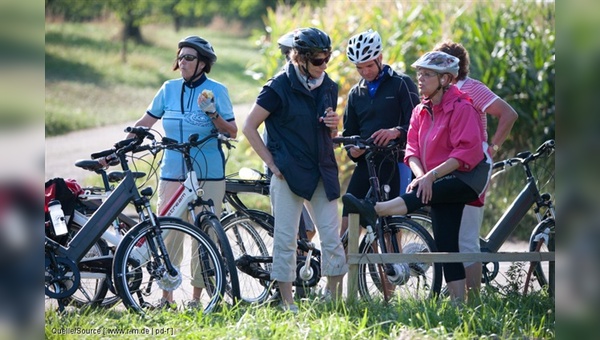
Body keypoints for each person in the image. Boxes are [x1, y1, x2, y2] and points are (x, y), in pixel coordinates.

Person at [343, 51, 491, 303]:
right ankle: (459, 303)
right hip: (436, 179)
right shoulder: (420, 110)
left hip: (465, 178)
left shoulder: (462, 107)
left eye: (427, 74)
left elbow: (466, 152)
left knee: (417, 197)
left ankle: (376, 210)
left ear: (445, 79)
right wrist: (422, 176)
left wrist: (429, 178)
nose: (420, 79)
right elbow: (411, 149)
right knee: (446, 244)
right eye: (419, 73)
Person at [128, 35, 238, 309]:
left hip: (208, 173)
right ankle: (167, 297)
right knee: (167, 235)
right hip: (172, 172)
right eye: (180, 56)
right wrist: (127, 140)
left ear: (203, 63)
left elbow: (232, 131)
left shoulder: (217, 90)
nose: (183, 61)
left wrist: (213, 114)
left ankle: (197, 298)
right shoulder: (168, 88)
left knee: (205, 235)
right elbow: (146, 122)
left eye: (189, 57)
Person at [243, 27, 348, 312]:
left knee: (332, 239)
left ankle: (333, 298)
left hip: (321, 171)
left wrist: (333, 125)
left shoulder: (329, 86)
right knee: (286, 241)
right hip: (288, 175)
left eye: (327, 58)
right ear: (299, 58)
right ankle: (287, 304)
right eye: (317, 60)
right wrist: (271, 163)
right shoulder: (277, 87)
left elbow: (325, 130)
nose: (323, 65)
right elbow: (249, 127)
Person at [434, 40, 518, 296]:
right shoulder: (441, 93)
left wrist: (491, 147)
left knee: (467, 236)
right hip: (452, 165)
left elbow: (508, 114)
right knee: (453, 233)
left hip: (473, 166)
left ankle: (474, 300)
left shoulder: (471, 88)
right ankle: (459, 291)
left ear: (451, 69)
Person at [340, 29, 419, 237]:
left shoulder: (402, 83)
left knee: (389, 232)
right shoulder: (355, 93)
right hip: (367, 164)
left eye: (368, 65)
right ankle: (345, 270)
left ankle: (392, 269)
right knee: (347, 231)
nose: (365, 72)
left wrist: (395, 132)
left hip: (396, 163)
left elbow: (419, 124)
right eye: (359, 68)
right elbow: (349, 132)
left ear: (380, 58)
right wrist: (352, 150)